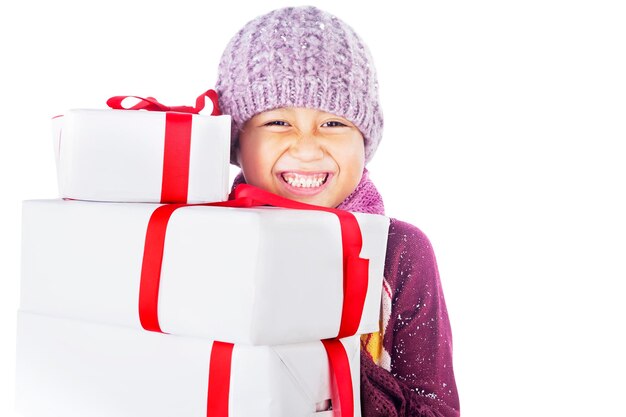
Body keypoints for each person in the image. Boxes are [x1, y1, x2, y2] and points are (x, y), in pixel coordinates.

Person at [215, 6, 459, 417]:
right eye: (277, 122)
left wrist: (328, 354)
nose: (307, 148)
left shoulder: (400, 253)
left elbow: (436, 409)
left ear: (365, 140)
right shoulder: (203, 240)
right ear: (237, 142)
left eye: (333, 124)